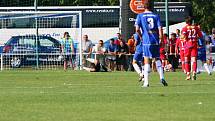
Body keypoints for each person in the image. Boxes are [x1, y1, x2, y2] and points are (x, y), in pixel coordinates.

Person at [135, 1, 168, 87]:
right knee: (157, 58)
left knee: (146, 60)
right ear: (151, 7)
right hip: (155, 39)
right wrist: (160, 38)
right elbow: (160, 28)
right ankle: (162, 77)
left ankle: (146, 82)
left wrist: (141, 36)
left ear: (143, 7)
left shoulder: (140, 16)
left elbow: (137, 29)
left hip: (146, 40)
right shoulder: (155, 16)